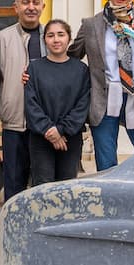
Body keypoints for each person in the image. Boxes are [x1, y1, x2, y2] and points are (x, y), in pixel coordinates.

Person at [70, 0, 134, 171]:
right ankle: (110, 200)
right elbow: (72, 55)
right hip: (103, 97)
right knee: (106, 161)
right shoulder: (91, 24)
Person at [25, 19, 91, 183]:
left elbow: (82, 105)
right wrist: (50, 131)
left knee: (66, 190)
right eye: (50, 35)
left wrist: (61, 130)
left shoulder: (81, 70)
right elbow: (31, 104)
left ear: (69, 38)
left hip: (70, 138)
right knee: (42, 190)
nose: (56, 40)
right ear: (44, 40)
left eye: (61, 35)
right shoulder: (34, 68)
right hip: (41, 138)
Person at [0, 0, 46, 197]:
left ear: (43, 6)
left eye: (35, 2)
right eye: (26, 2)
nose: (31, 7)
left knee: (43, 186)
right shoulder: (2, 38)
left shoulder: (53, 36)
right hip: (14, 123)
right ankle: (11, 229)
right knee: (14, 184)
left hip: (45, 125)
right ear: (15, 7)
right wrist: (6, 98)